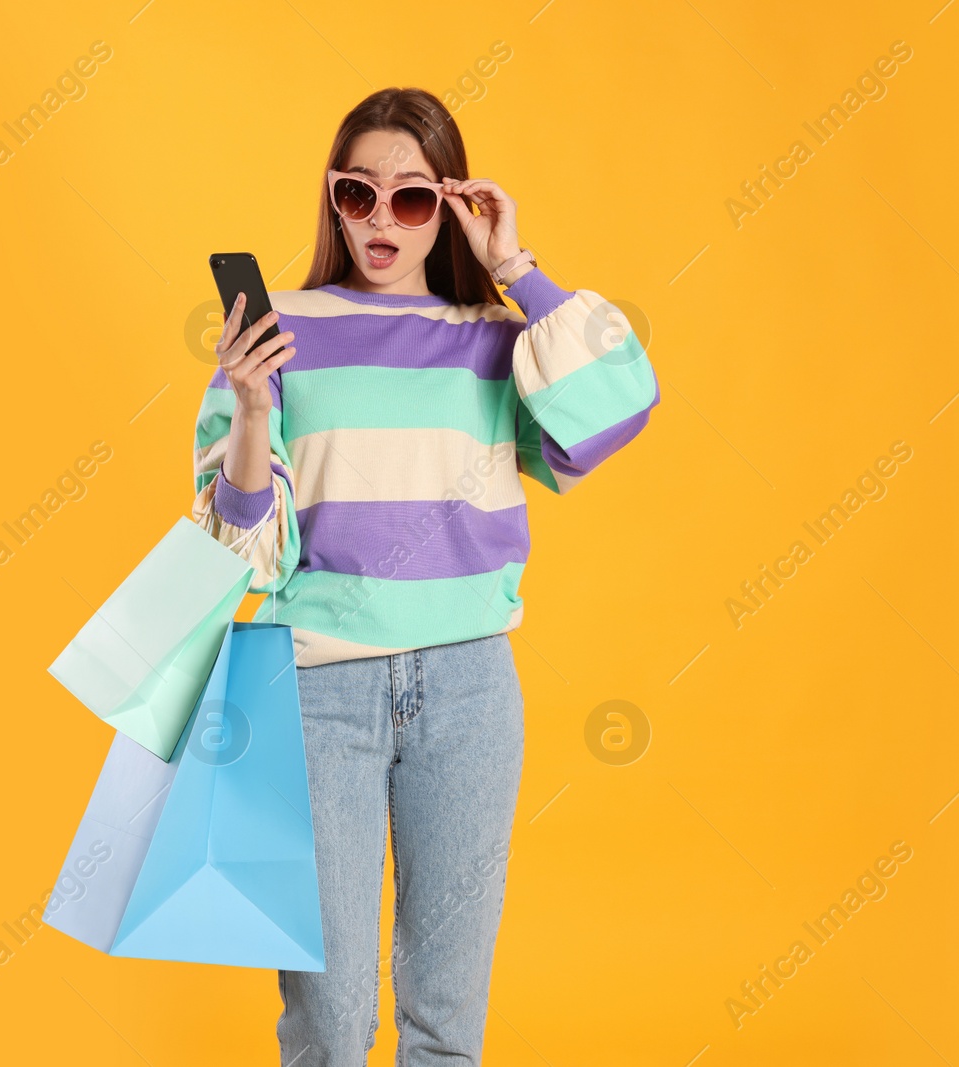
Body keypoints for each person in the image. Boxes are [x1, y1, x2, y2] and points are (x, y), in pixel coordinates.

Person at [190, 86, 660, 1067]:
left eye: (411, 199)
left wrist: (518, 271)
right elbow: (235, 549)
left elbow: (619, 406)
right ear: (333, 196)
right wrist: (246, 407)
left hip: (467, 689)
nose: (378, 220)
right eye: (357, 193)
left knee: (445, 1014)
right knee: (328, 1015)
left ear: (448, 206)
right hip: (317, 689)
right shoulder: (277, 336)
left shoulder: (492, 338)